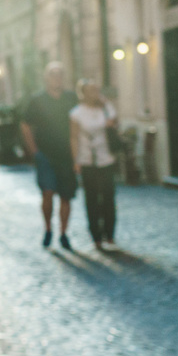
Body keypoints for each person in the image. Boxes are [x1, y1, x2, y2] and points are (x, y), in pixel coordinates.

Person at [20, 63, 79, 249]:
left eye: (60, 74)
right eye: (53, 74)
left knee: (66, 196)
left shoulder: (71, 98)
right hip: (45, 155)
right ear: (47, 78)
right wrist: (34, 151)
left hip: (67, 155)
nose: (56, 78)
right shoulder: (37, 99)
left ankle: (63, 233)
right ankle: (48, 229)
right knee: (47, 193)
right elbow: (25, 125)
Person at [70, 79, 118, 248]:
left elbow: (115, 122)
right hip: (87, 159)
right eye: (90, 90)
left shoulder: (106, 108)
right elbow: (74, 137)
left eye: (96, 90)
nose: (94, 93)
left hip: (106, 157)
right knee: (91, 198)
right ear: (83, 93)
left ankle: (109, 233)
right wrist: (76, 160)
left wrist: (105, 106)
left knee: (108, 197)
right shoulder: (77, 113)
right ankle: (96, 236)